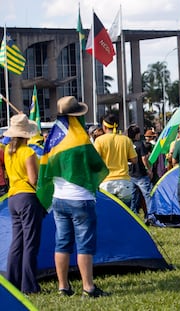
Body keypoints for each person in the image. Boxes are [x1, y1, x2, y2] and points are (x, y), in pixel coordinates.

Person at [40, 96, 110, 297]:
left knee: (62, 242)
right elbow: (96, 166)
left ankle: (63, 287)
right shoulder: (81, 139)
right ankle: (88, 287)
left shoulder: (53, 139)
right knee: (84, 243)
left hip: (59, 199)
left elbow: (47, 168)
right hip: (80, 199)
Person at [4, 114, 44, 294]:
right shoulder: (28, 152)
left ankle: (12, 282)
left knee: (17, 242)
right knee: (30, 243)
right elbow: (34, 179)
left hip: (12, 197)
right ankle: (29, 285)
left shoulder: (7, 150)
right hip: (27, 198)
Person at [94, 113, 138, 207]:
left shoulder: (99, 140)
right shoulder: (126, 140)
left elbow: (95, 161)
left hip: (106, 182)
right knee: (125, 214)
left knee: (108, 214)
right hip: (124, 181)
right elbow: (134, 160)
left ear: (104, 126)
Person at [127, 124, 153, 217]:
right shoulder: (140, 144)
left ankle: (132, 214)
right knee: (148, 195)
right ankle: (151, 215)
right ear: (137, 134)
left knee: (133, 197)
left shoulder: (127, 144)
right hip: (141, 174)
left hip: (130, 174)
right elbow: (144, 158)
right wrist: (149, 169)